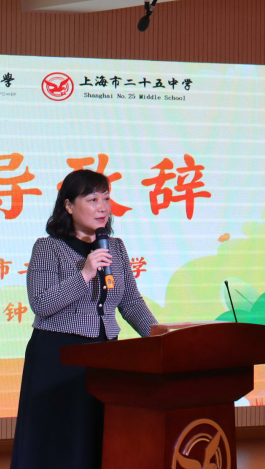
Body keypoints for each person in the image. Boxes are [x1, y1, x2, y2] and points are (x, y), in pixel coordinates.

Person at [9, 169, 156, 469]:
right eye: (92, 199)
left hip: (105, 357)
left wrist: (159, 337)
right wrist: (85, 273)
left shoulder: (115, 248)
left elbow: (130, 302)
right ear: (68, 206)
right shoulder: (48, 248)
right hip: (58, 359)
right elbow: (42, 304)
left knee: (99, 437)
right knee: (60, 442)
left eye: (106, 199)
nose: (103, 207)